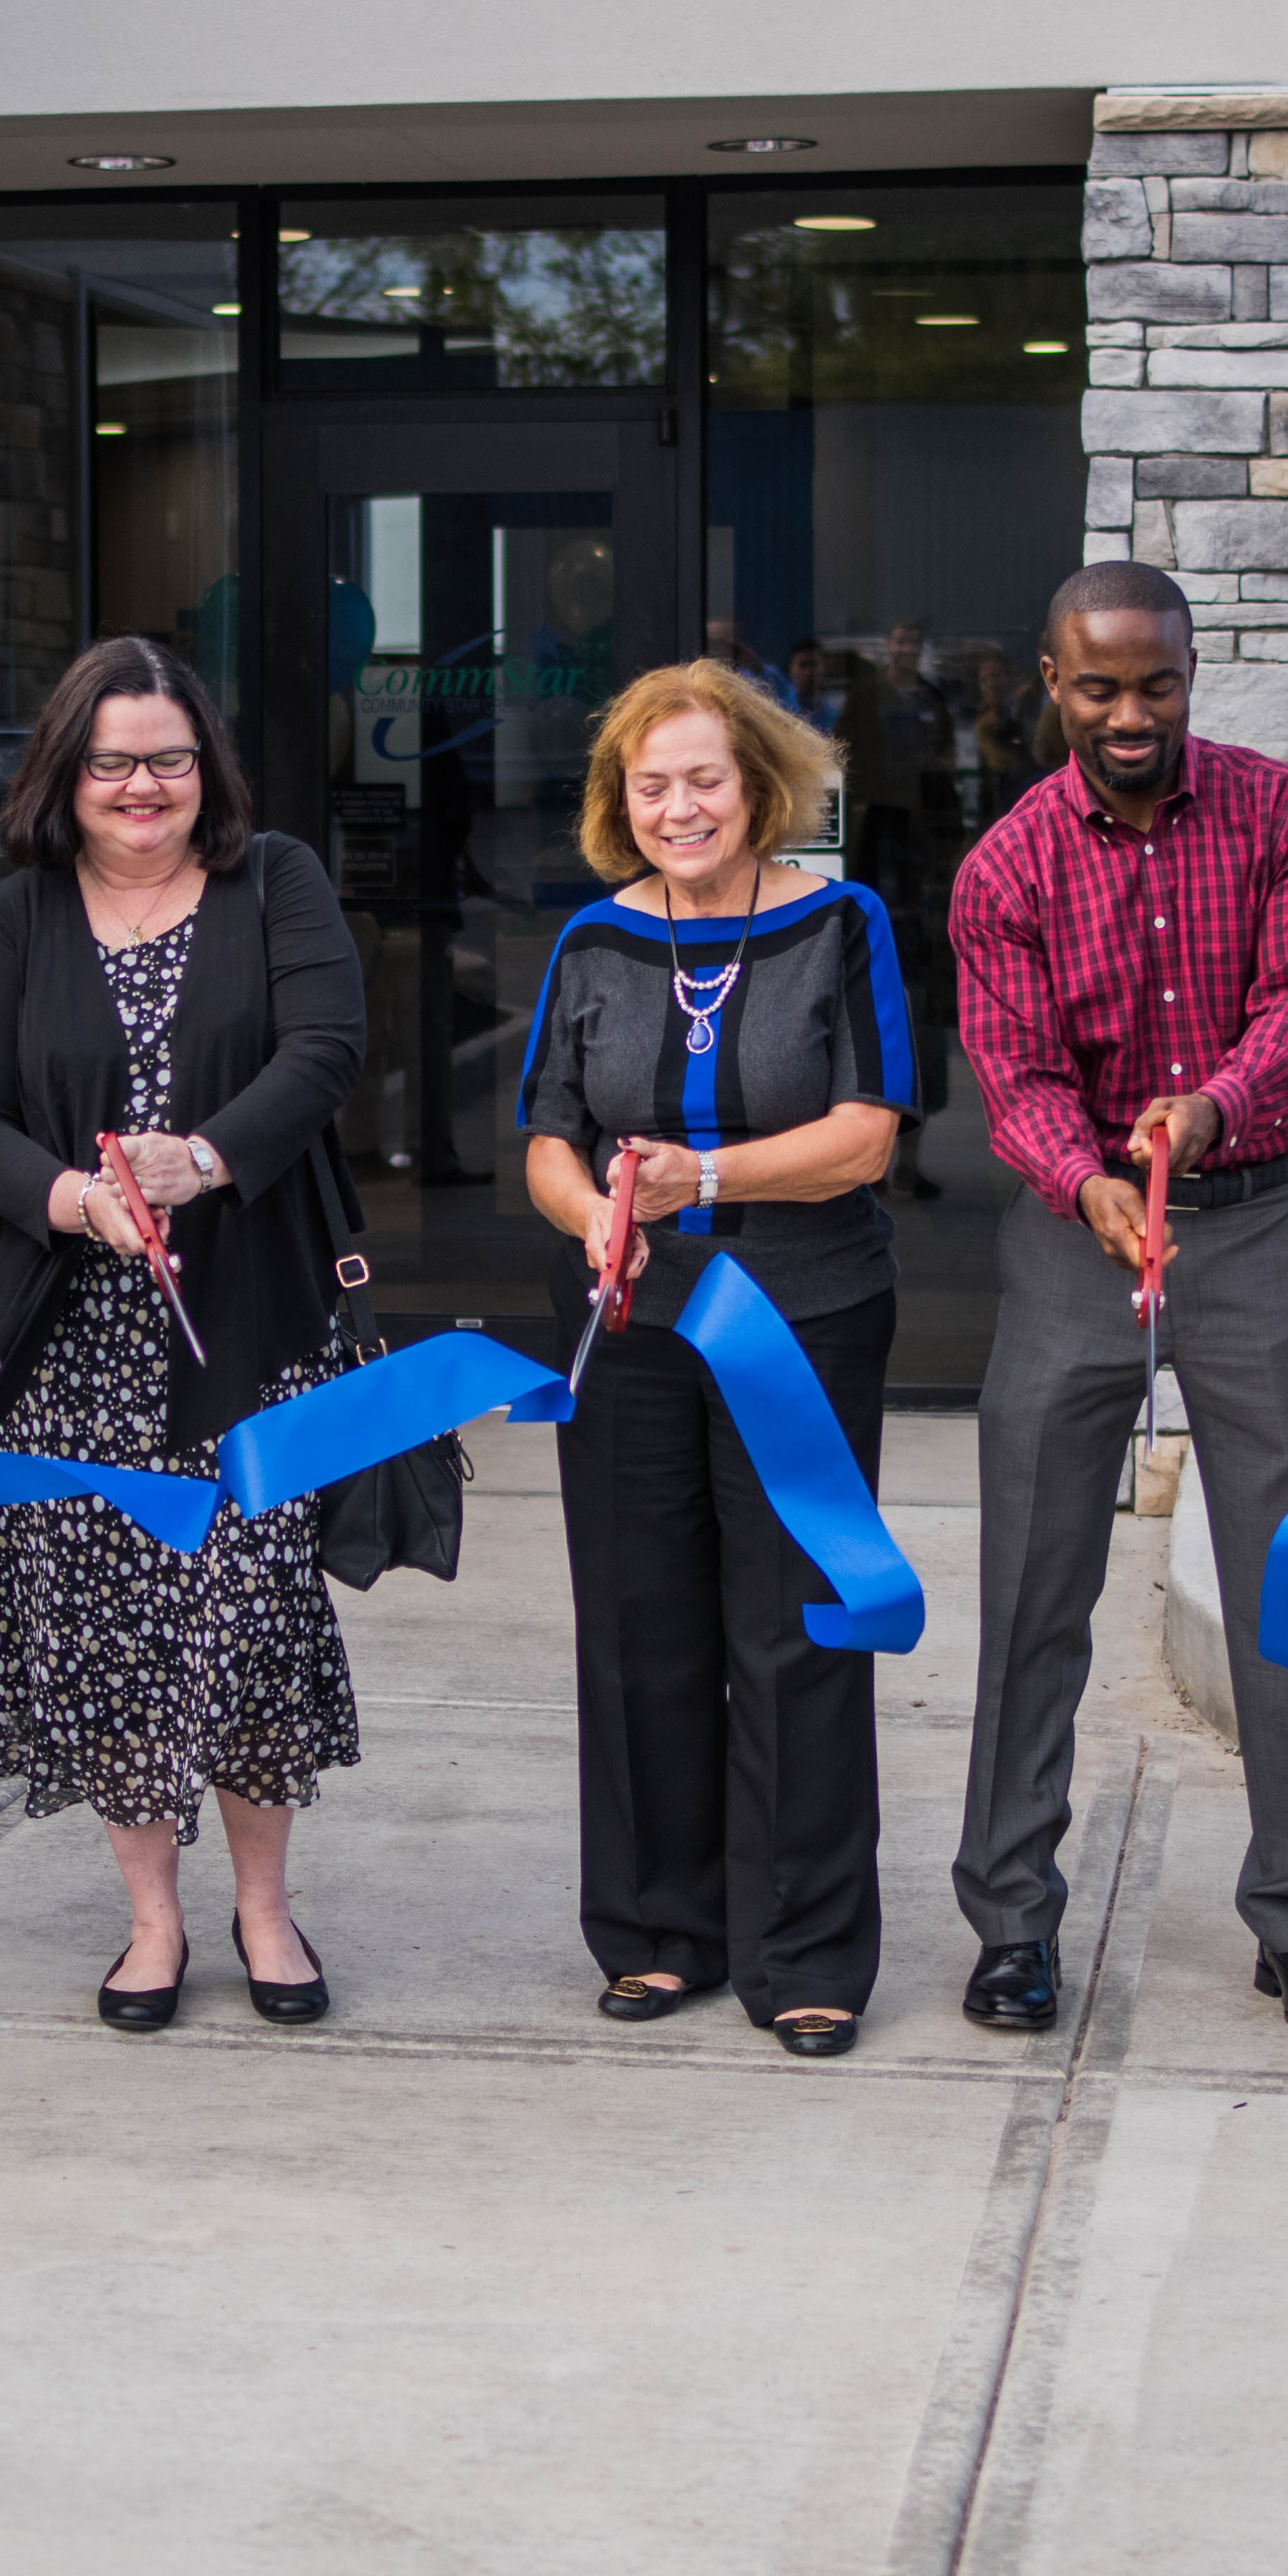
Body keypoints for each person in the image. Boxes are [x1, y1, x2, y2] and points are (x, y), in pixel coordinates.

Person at [947, 564, 1288, 2043]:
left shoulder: (1279, 815)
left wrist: (1210, 1113)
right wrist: (1087, 1177)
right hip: (1075, 1241)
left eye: (1157, 683)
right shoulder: (1003, 867)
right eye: (1098, 685)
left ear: (1191, 671)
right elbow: (1014, 1079)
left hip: (1253, 1222)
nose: (1130, 714)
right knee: (1033, 1586)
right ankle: (1009, 1921)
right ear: (1047, 683)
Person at [0, 637, 368, 2031]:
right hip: (75, 1347)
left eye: (168, 758)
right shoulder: (11, 917)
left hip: (251, 1328)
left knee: (246, 1617)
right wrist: (73, 1198)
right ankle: (149, 1919)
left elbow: (325, 1048)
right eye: (113, 758)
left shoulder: (272, 880)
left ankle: (261, 1905)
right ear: (65, 771)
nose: (141, 784)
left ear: (205, 769)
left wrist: (201, 1161)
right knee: (114, 1628)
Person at [519, 658, 915, 2059]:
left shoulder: (840, 920)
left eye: (703, 777)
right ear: (616, 802)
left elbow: (867, 1133)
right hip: (629, 1318)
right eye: (650, 783)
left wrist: (703, 1173)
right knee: (638, 1625)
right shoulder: (587, 945)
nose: (678, 805)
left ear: (756, 784)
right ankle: (654, 1930)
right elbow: (547, 1141)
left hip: (796, 1313)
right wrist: (596, 1218)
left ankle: (804, 1948)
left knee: (797, 1622)